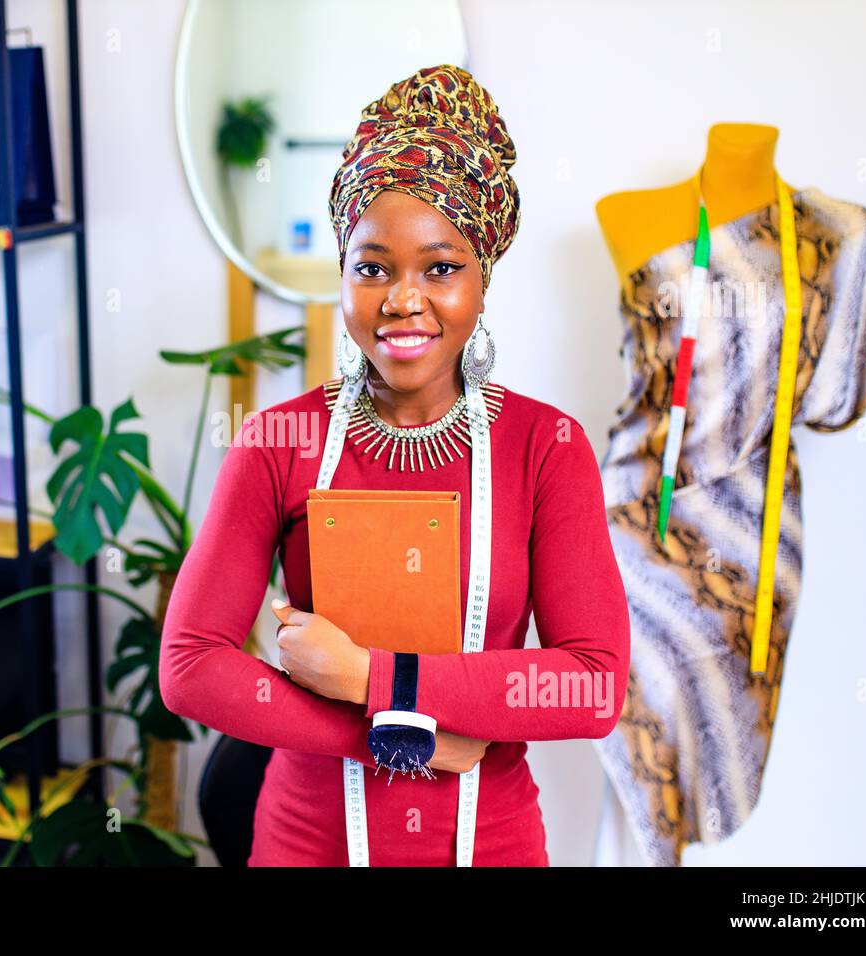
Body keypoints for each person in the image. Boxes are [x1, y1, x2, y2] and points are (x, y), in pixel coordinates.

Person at [159, 63, 630, 866]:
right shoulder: (278, 442)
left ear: (482, 282)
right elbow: (191, 667)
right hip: (305, 842)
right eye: (372, 266)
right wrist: (395, 736)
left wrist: (376, 677)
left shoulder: (544, 448)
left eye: (440, 267)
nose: (403, 298)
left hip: (492, 843)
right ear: (342, 278)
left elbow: (591, 686)